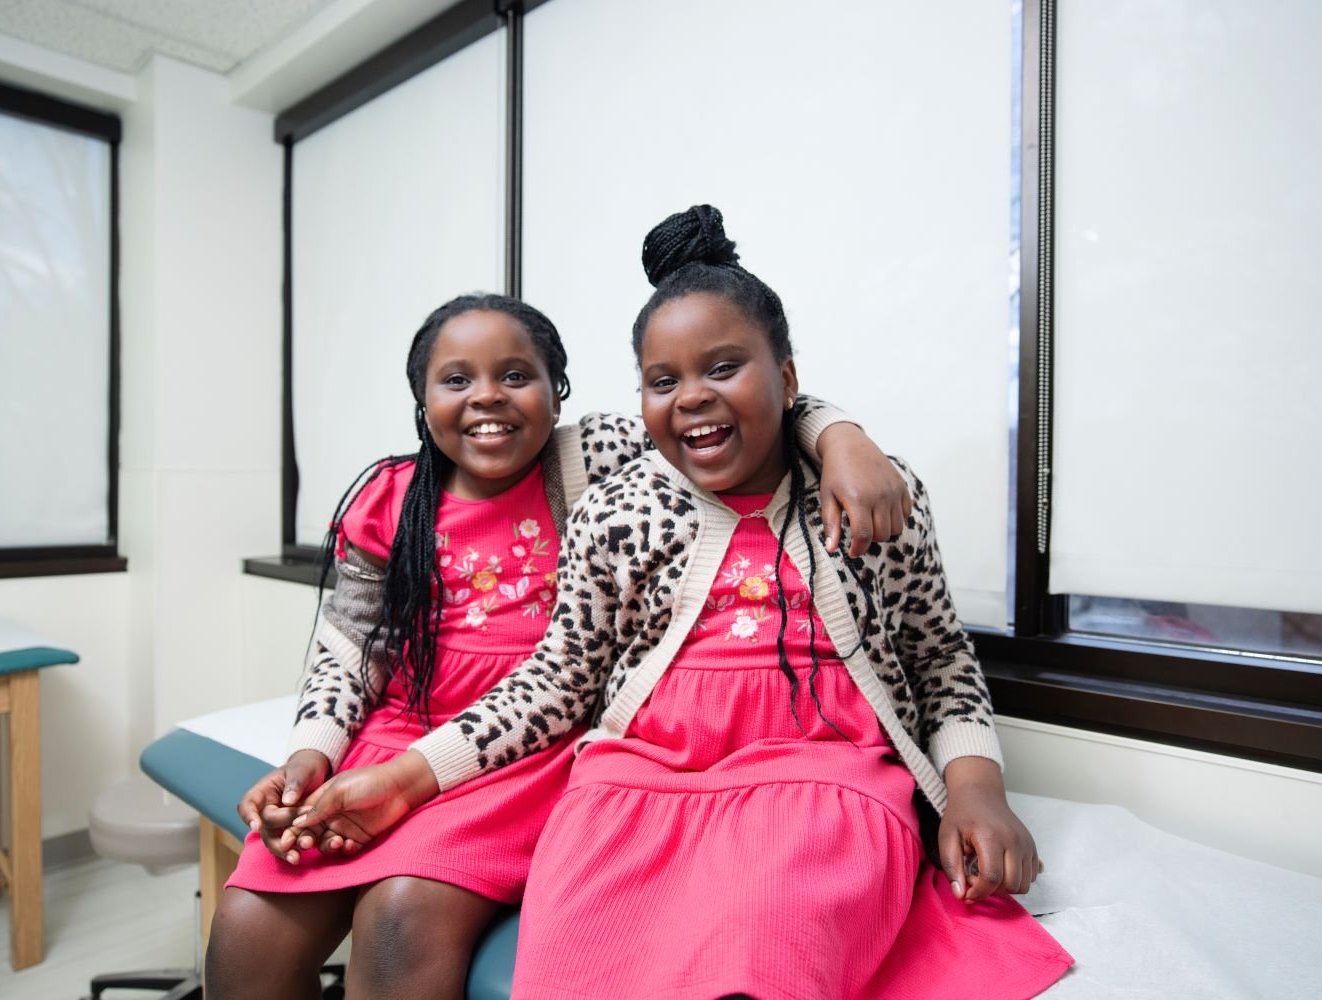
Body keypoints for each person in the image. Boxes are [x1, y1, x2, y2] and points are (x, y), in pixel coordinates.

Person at [291, 208, 1075, 999]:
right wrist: (409, 777)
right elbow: (556, 681)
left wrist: (978, 793)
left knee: (761, 960)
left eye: (725, 367)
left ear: (790, 381)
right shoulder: (620, 509)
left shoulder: (867, 495)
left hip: (822, 789)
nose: (693, 397)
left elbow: (939, 656)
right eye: (664, 381)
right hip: (630, 792)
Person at [205, 290, 913, 1000]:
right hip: (401, 733)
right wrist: (311, 754)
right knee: (243, 926)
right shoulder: (390, 499)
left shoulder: (592, 456)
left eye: (517, 376)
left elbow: (733, 413)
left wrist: (839, 436)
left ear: (556, 390)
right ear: (421, 400)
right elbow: (352, 648)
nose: (488, 398)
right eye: (457, 380)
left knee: (399, 916)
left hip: (524, 750)